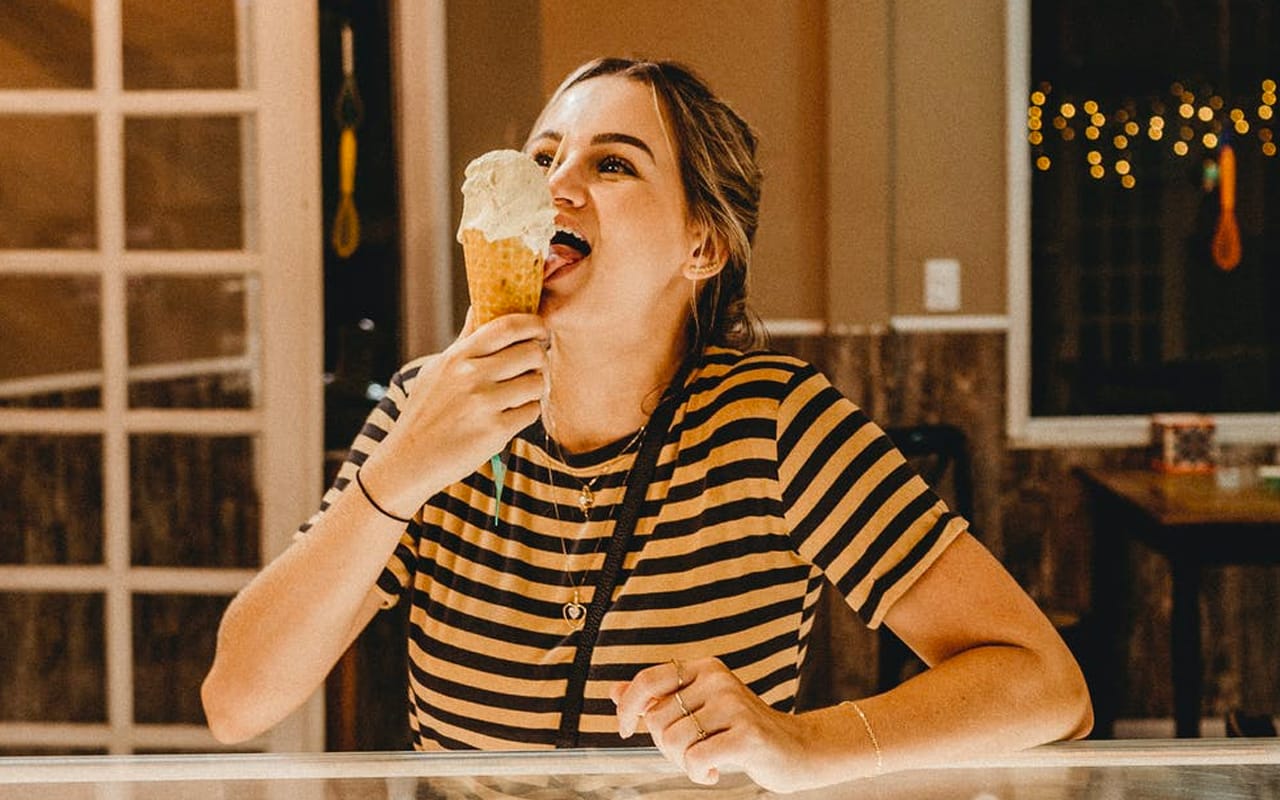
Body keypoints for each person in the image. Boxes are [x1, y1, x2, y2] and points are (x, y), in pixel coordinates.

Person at [202, 57, 1091, 792]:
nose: (557, 184)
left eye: (613, 164)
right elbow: (237, 702)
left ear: (702, 245)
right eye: (544, 156)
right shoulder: (423, 411)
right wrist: (396, 476)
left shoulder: (775, 425)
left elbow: (1047, 687)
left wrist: (806, 743)